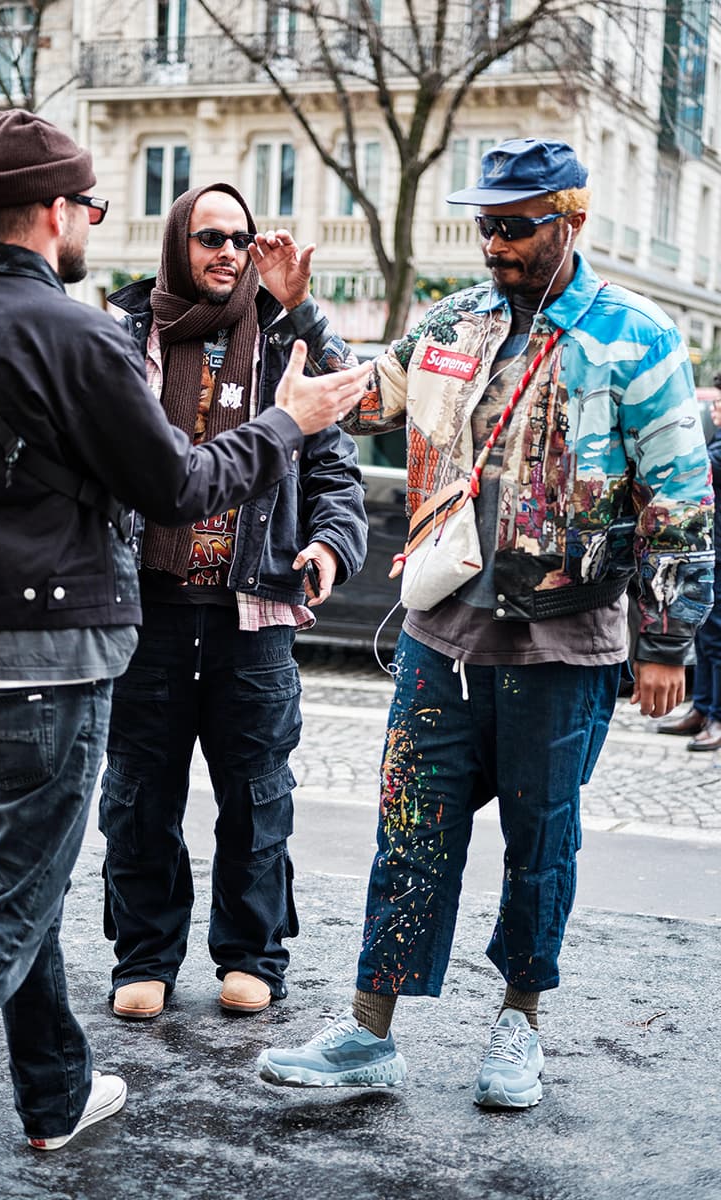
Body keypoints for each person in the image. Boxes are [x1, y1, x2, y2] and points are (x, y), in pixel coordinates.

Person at [0, 110, 368, 1199]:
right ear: (57, 210)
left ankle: (56, 1093)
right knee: (12, 900)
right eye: (91, 205)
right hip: (53, 654)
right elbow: (176, 485)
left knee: (21, 881)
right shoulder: (86, 334)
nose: (94, 223)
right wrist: (288, 423)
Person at [255, 137, 714, 1108]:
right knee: (409, 830)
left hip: (564, 641)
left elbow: (680, 496)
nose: (495, 244)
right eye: (485, 227)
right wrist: (299, 312)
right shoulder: (453, 320)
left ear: (570, 221)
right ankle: (369, 1028)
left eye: (514, 226)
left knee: (540, 844)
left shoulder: (635, 337)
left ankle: (519, 1023)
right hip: (441, 634)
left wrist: (668, 639)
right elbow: (365, 398)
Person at [99, 184, 367, 1021]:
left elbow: (339, 464)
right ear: (177, 242)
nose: (227, 251)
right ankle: (144, 955)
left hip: (253, 614)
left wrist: (330, 545)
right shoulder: (124, 337)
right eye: (209, 236)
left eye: (240, 238)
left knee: (257, 799)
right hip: (147, 611)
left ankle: (252, 955)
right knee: (138, 797)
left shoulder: (285, 342)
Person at [658, 378, 721, 750]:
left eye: (719, 403)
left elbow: (697, 470)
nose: (714, 409)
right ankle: (702, 708)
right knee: (706, 635)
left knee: (716, 640)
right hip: (710, 553)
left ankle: (716, 716)